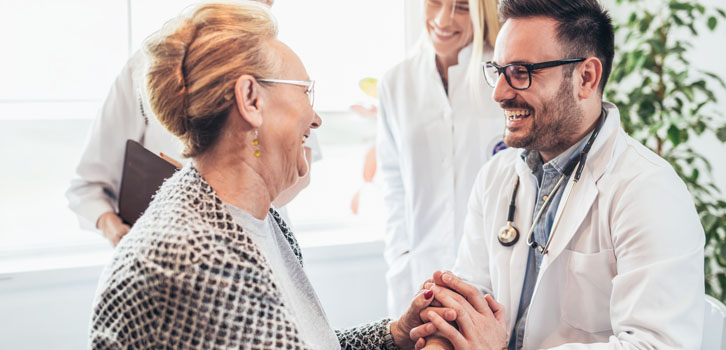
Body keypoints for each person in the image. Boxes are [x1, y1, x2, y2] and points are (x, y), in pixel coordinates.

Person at [90, 2, 431, 348]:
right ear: (251, 99)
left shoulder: (257, 218)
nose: (315, 119)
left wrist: (396, 335)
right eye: (303, 91)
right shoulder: (196, 263)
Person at [408, 0, 706, 348]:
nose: (500, 93)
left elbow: (657, 346)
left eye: (521, 72)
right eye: (498, 70)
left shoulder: (647, 191)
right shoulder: (497, 176)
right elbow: (466, 306)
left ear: (586, 77)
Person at [65, 0, 320, 247]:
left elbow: (298, 166)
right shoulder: (152, 69)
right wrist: (119, 232)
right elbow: (88, 186)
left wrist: (242, 209)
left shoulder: (282, 70)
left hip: (259, 243)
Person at [376, 0, 504, 318]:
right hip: (419, 270)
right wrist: (401, 257)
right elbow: (393, 186)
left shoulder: (505, 77)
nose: (443, 19)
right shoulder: (396, 83)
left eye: (462, 7)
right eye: (435, 2)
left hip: (494, 275)